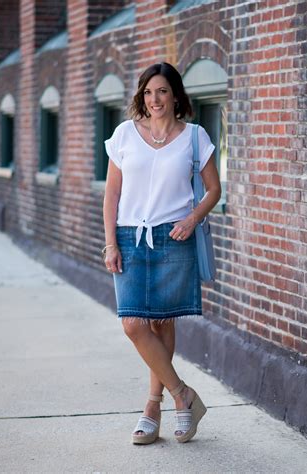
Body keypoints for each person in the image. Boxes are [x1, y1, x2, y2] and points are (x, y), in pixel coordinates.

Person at [102, 62, 221, 444]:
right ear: (142, 96)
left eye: (162, 92)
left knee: (163, 324)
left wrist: (192, 218)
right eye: (148, 92)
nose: (154, 99)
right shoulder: (124, 134)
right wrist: (110, 242)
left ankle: (152, 408)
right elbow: (112, 195)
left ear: (175, 96)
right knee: (133, 324)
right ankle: (182, 395)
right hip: (130, 237)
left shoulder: (195, 137)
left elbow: (214, 190)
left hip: (174, 237)